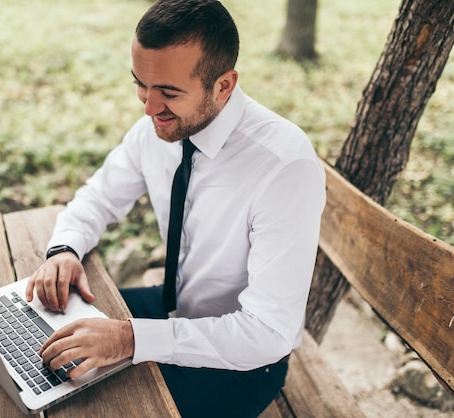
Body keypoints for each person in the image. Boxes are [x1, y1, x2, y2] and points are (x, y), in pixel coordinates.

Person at [25, 0, 326, 416]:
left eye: (168, 92)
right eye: (141, 85)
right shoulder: (160, 125)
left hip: (242, 363)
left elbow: (268, 333)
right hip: (171, 309)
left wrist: (130, 339)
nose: (148, 107)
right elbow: (99, 196)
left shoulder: (284, 167)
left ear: (224, 85)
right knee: (40, 337)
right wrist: (65, 249)